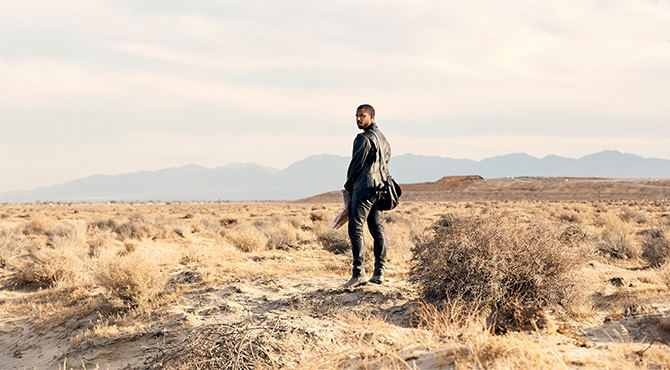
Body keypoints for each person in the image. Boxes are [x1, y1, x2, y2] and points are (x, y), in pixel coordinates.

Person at [342, 104, 391, 288]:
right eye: (356, 116)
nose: (358, 119)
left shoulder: (363, 139)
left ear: (372, 117)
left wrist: (348, 186)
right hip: (380, 188)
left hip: (364, 188)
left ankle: (359, 274)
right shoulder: (383, 139)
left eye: (362, 116)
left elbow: (356, 165)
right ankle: (379, 272)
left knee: (355, 228)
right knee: (377, 229)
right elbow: (386, 161)